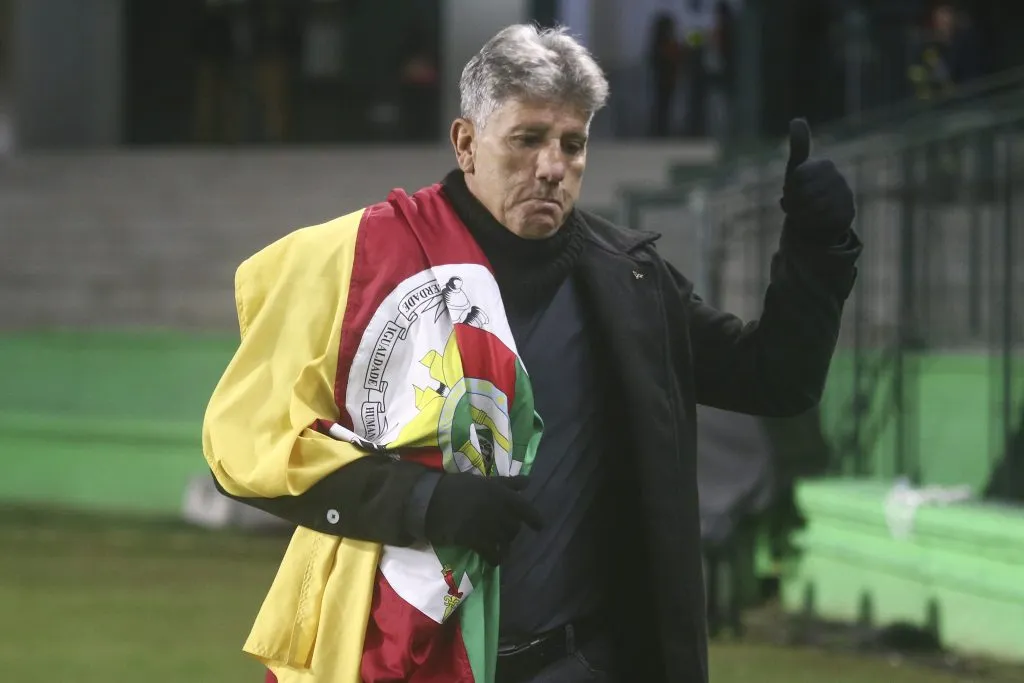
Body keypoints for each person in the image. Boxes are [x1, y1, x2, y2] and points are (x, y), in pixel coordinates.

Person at [202, 24, 861, 683]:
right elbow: (252, 442)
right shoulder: (367, 263)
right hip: (404, 658)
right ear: (466, 143)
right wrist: (425, 501)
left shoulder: (627, 280)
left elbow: (775, 381)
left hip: (581, 660)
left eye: (572, 144)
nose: (553, 165)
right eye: (528, 139)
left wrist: (816, 251)